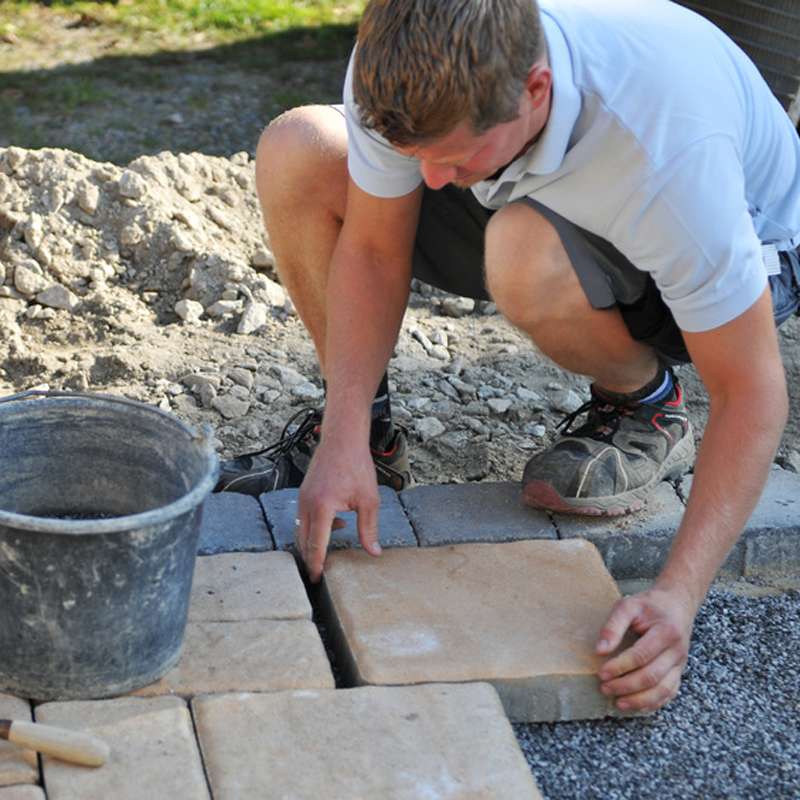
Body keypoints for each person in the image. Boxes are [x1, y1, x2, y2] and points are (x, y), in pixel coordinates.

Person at [217, 0, 800, 713]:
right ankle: (370, 441)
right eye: (416, 156)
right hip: (537, 180)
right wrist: (344, 432)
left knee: (524, 249)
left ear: (535, 93)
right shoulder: (405, 51)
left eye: (451, 157)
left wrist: (677, 598)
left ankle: (646, 404)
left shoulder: (667, 156)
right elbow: (372, 248)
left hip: (737, 257)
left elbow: (752, 392)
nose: (428, 182)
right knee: (300, 148)